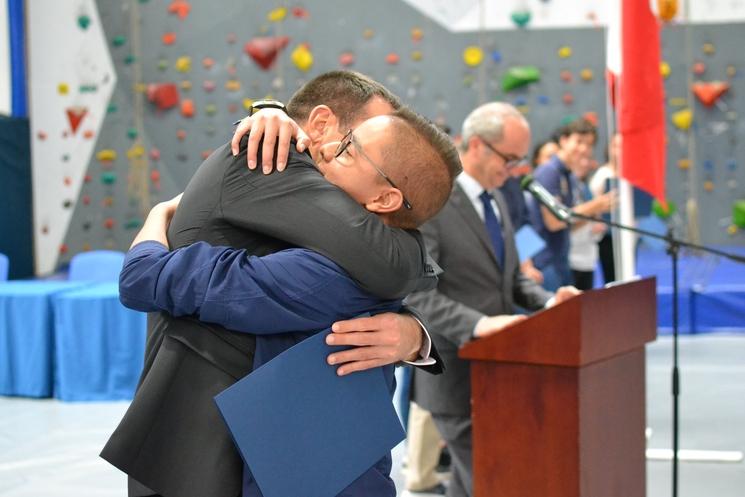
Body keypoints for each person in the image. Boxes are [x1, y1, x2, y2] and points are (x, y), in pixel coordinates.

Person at [101, 71, 450, 497]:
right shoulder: (262, 159)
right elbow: (383, 269)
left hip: (289, 454)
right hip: (210, 440)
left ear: (383, 199)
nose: (325, 151)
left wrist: (414, 334)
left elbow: (147, 277)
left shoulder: (338, 253)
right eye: (349, 139)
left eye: (347, 150)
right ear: (321, 122)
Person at [407, 102, 580, 497]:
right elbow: (419, 293)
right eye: (511, 157)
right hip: (452, 372)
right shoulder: (433, 200)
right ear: (478, 146)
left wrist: (550, 302)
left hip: (498, 372)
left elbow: (512, 279)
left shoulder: (497, 199)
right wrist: (478, 325)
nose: (517, 168)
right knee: (491, 479)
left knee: (477, 482)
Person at [528, 119, 614, 291]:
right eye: (579, 141)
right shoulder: (549, 171)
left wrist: (593, 213)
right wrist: (594, 206)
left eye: (589, 145)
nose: (583, 149)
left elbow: (567, 225)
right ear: (564, 141)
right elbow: (554, 222)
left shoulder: (569, 176)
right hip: (544, 262)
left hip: (561, 260)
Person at [569, 154, 606, 290]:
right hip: (571, 259)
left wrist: (596, 229)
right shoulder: (567, 187)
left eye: (587, 159)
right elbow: (564, 222)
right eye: (580, 160)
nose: (584, 164)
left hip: (588, 259)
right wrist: (590, 213)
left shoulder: (585, 189)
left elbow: (595, 222)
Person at [589, 133, 620, 283]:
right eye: (615, 146)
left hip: (627, 233)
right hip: (607, 236)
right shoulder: (603, 174)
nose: (619, 151)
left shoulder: (630, 175)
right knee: (612, 276)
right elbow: (592, 202)